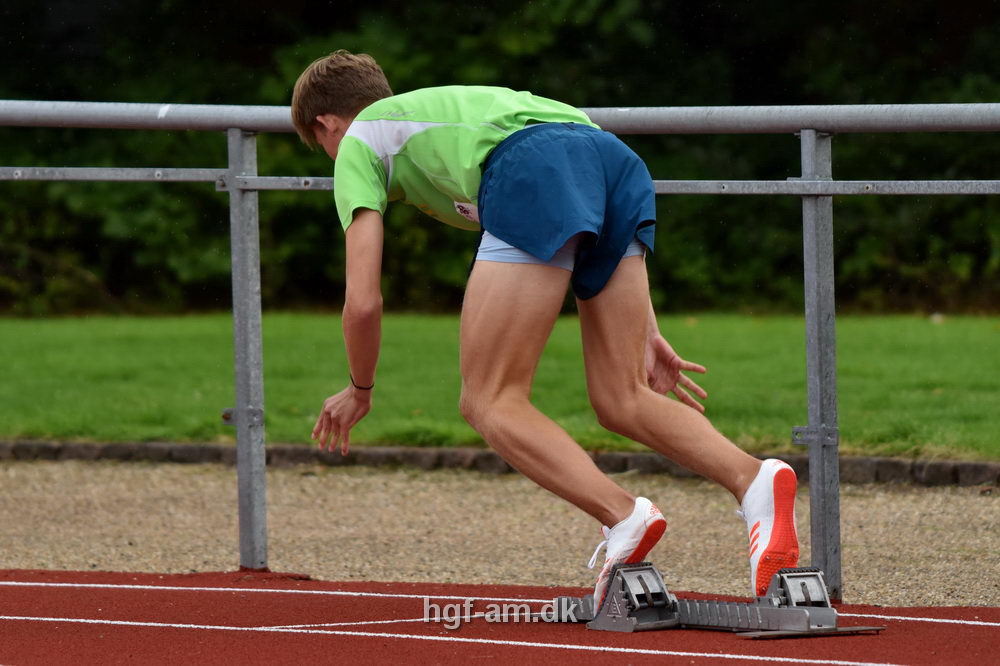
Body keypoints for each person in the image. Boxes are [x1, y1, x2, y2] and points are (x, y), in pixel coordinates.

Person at [294, 50, 799, 605]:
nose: (331, 158)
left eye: (322, 148)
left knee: (488, 399)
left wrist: (359, 388)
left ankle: (624, 517)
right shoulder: (455, 107)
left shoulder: (361, 138)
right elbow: (579, 158)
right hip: (614, 162)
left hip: (534, 169)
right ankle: (755, 482)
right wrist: (644, 326)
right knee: (621, 397)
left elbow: (362, 301)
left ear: (327, 123)